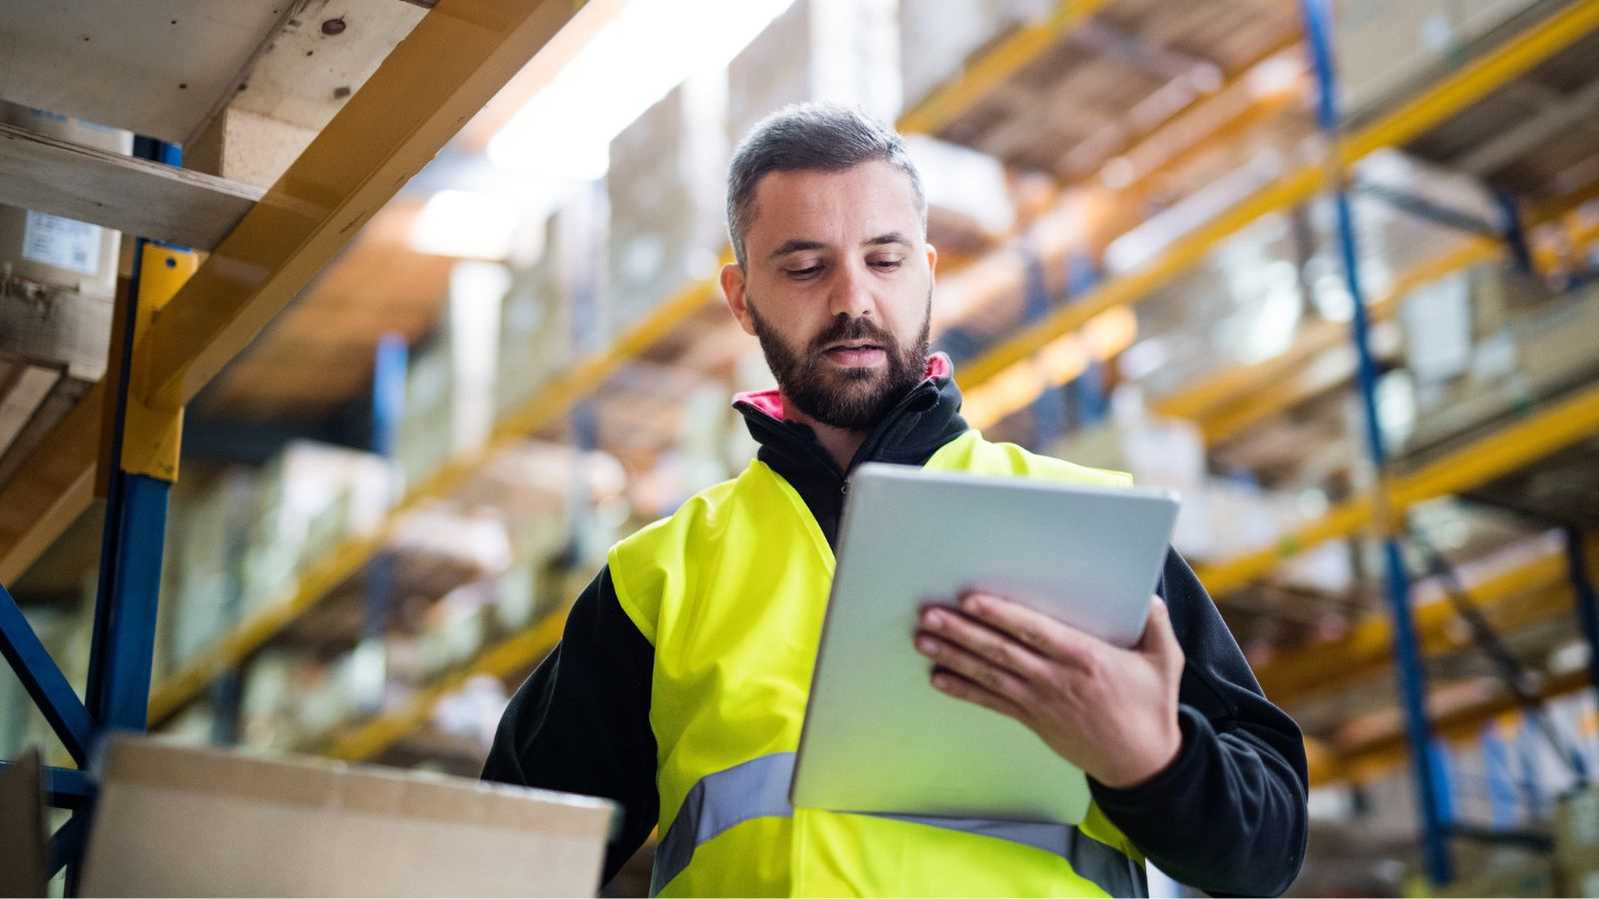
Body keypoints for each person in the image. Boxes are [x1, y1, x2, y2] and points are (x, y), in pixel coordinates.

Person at [483, 103, 1307, 898]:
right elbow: (497, 864)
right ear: (740, 299)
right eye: (805, 266)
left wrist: (1154, 761)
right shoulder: (657, 584)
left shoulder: (1084, 526)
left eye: (884, 259)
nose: (852, 300)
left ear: (926, 270)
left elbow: (1266, 849)